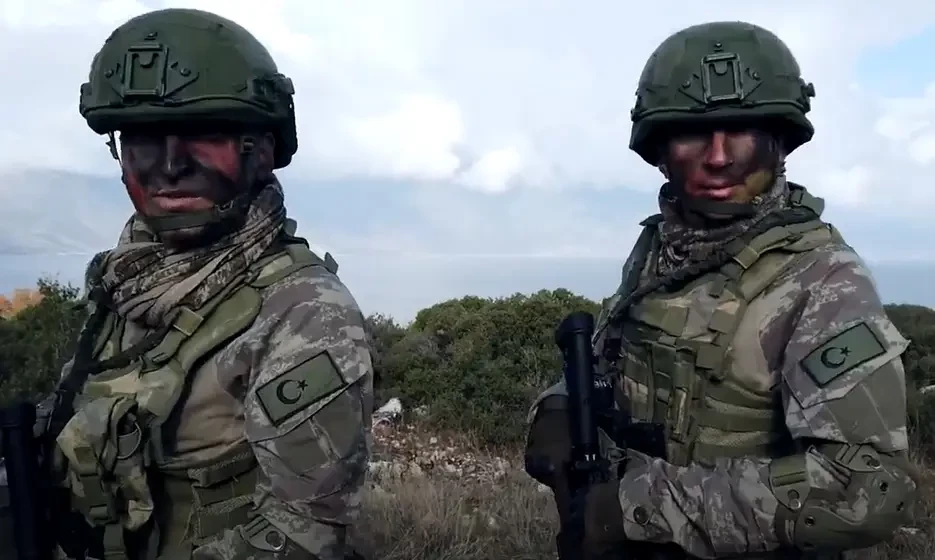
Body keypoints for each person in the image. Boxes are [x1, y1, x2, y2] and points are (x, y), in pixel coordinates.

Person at [523, 20, 918, 560]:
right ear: (660, 148)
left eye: (741, 130)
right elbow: (610, 363)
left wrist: (636, 509)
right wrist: (559, 405)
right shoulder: (663, 246)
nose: (717, 157)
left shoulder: (821, 279)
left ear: (779, 140)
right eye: (693, 133)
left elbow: (866, 491)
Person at [40, 8, 373, 560]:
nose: (171, 164)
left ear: (261, 150)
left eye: (204, 134)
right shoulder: (123, 282)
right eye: (145, 137)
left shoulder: (303, 311)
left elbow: (303, 533)